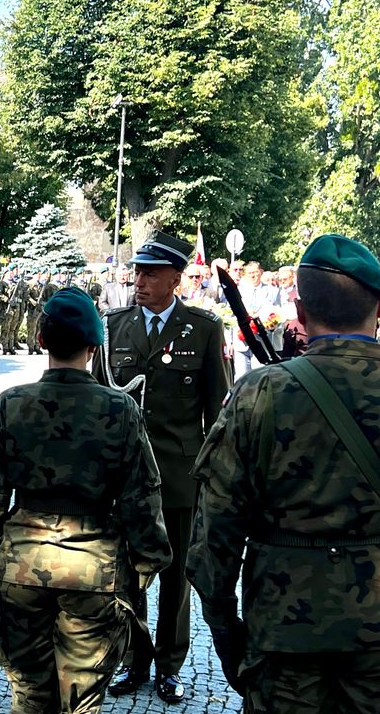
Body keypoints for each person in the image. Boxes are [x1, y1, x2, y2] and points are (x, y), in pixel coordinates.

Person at [187, 234, 380, 714]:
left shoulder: (259, 393)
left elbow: (215, 529)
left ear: (300, 311)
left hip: (284, 629)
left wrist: (226, 630)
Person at [0, 287, 172, 714]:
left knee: (28, 695)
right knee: (81, 703)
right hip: (94, 572)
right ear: (95, 345)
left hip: (21, 568)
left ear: (41, 340)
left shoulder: (11, 404)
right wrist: (145, 569)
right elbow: (142, 501)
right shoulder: (120, 409)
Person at [93, 230, 229, 704]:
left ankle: (170, 664)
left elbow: (218, 412)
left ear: (176, 277)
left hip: (178, 475)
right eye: (137, 272)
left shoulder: (204, 328)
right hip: (126, 476)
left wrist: (213, 478)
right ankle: (135, 657)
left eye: (151, 273)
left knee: (174, 575)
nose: (140, 280)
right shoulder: (112, 326)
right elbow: (98, 404)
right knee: (126, 572)